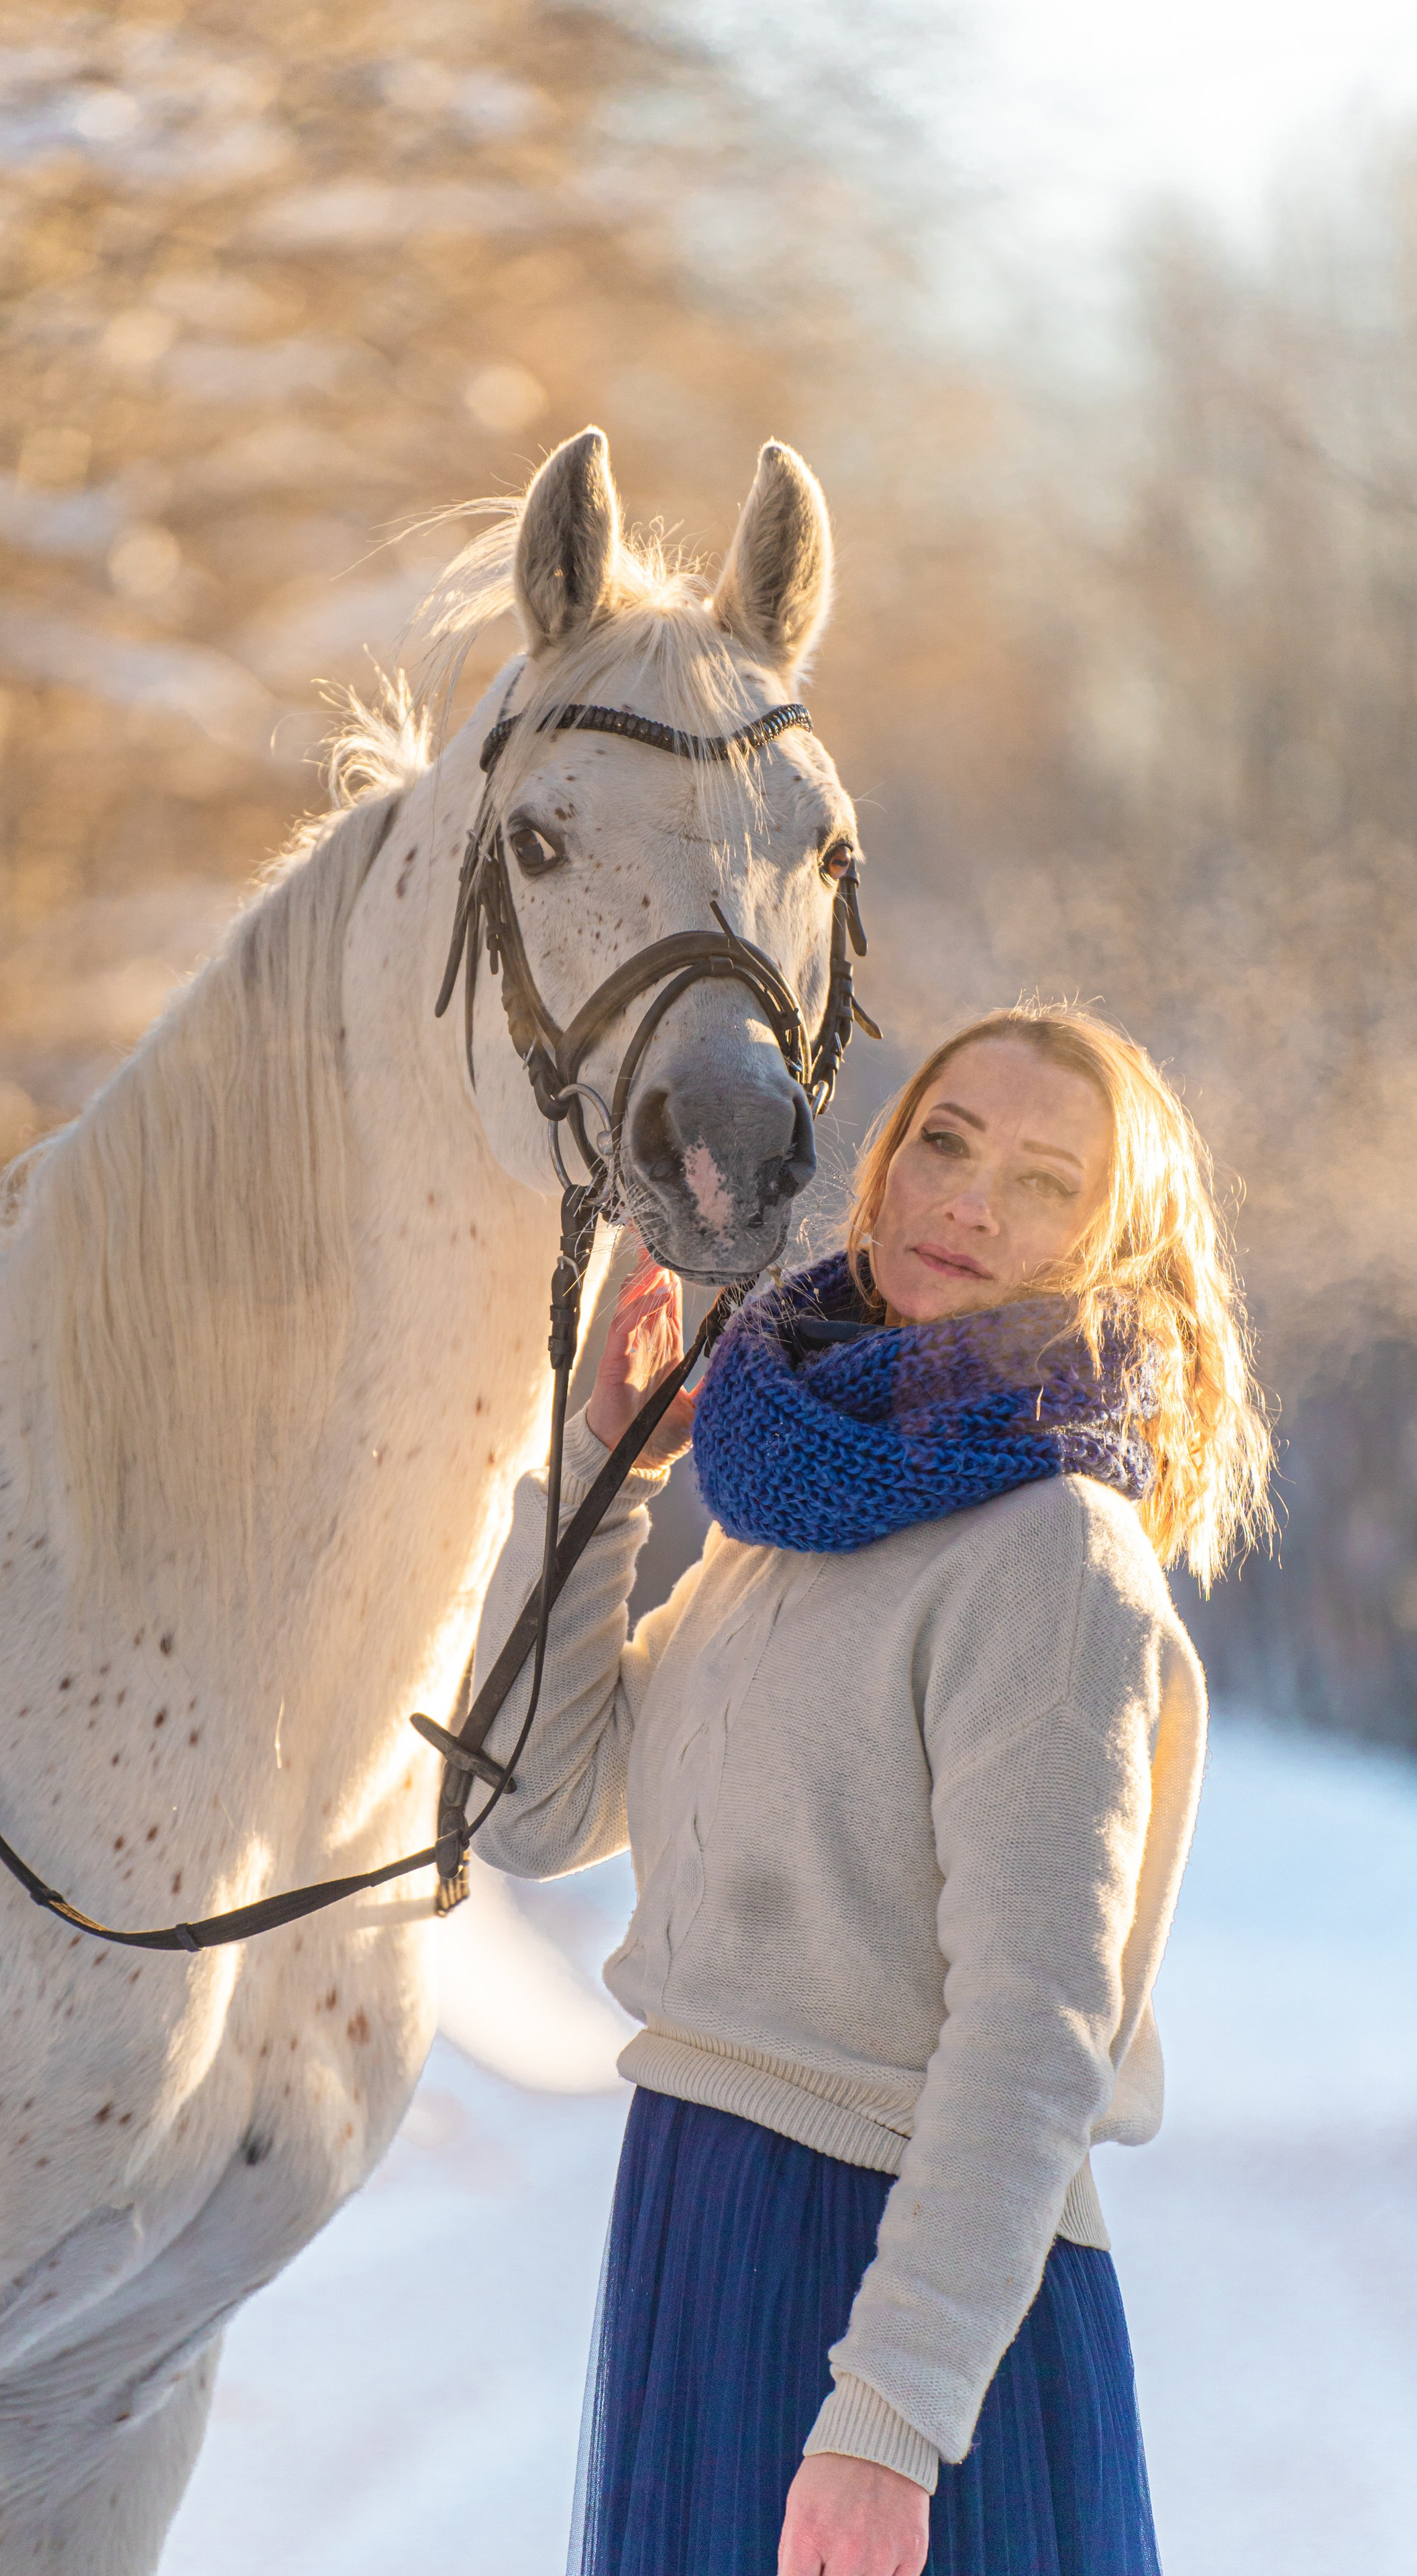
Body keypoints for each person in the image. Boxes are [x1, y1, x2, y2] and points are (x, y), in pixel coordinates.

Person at [468, 1002, 1271, 2576]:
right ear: (883, 1170)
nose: (971, 1202)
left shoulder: (1047, 1554)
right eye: (946, 1143)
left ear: (1112, 1245)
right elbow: (534, 1805)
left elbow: (1033, 2036)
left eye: (1045, 1181)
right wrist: (604, 1467)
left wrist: (888, 2419)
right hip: (703, 2222)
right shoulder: (793, 1507)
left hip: (887, 2288)